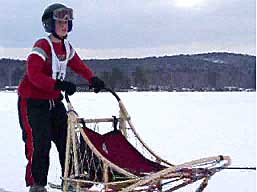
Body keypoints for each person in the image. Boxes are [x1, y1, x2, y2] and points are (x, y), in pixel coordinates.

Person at [17, 3, 105, 192]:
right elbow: (33, 75)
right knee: (40, 143)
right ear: (50, 24)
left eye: (67, 22)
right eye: (60, 22)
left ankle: (71, 181)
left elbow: (78, 65)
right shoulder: (42, 46)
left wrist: (93, 79)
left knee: (67, 141)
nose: (65, 26)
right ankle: (37, 185)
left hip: (53, 101)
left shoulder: (66, 47)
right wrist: (57, 84)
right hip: (32, 102)